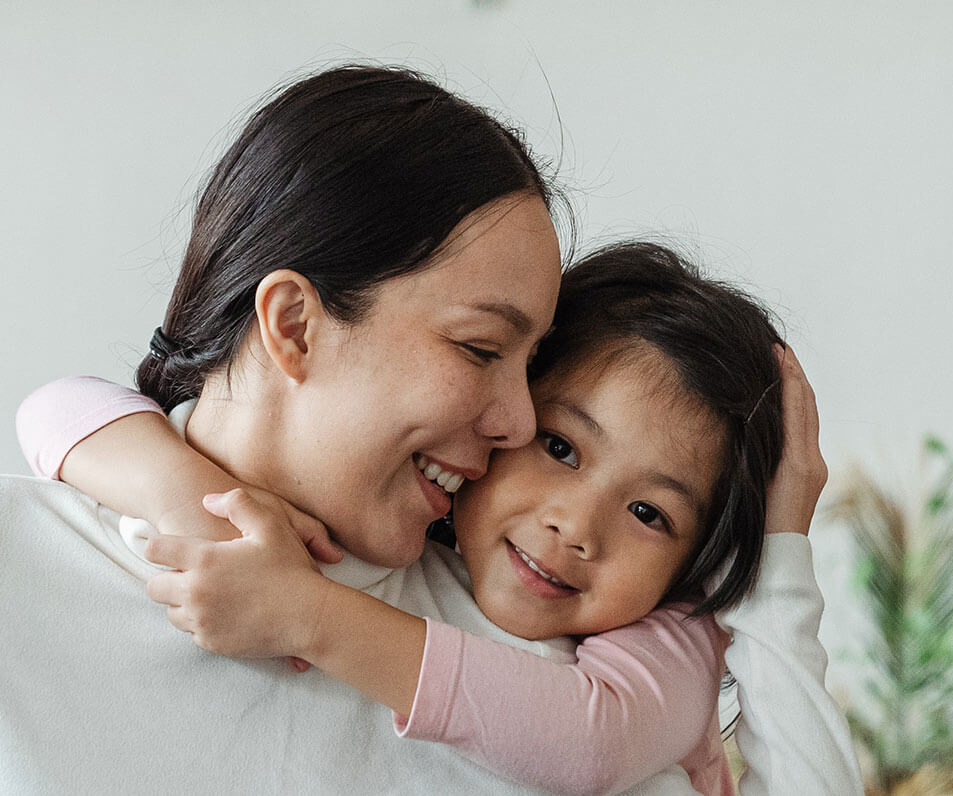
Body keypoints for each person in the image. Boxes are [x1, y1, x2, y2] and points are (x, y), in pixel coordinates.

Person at [15, 243, 863, 794]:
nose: (577, 527)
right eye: (562, 449)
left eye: (649, 512)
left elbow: (591, 742)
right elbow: (57, 407)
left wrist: (781, 552)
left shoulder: (664, 643)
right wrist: (186, 497)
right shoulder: (402, 534)